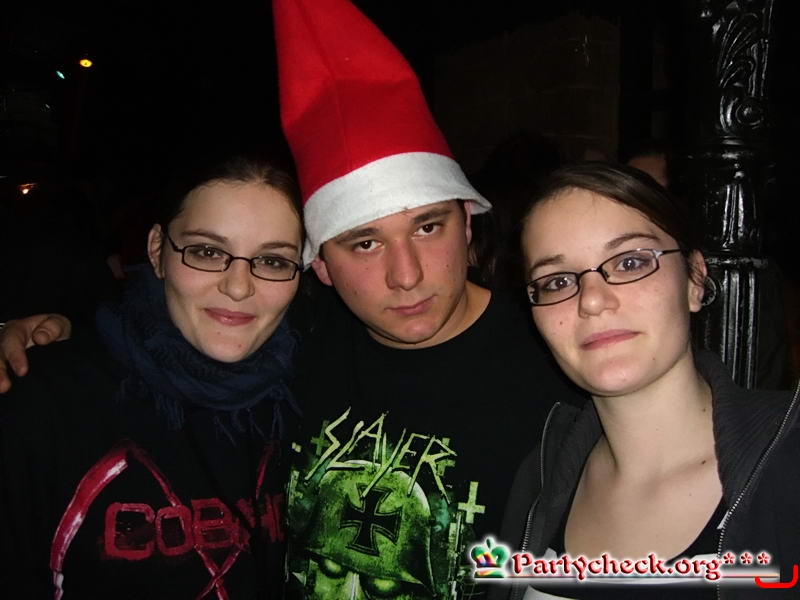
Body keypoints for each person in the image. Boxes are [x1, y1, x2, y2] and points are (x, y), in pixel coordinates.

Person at [0, 1, 587, 598]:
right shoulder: (294, 352)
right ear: (320, 267)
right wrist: (48, 337)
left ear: (470, 222)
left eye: (428, 227)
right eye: (364, 243)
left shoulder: (562, 370)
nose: (405, 276)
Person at [490, 162, 800, 600]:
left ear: (695, 279)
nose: (592, 300)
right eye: (557, 281)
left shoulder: (788, 463)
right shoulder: (539, 477)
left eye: (630, 262)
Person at [0, 153, 304, 599]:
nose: (238, 287)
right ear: (158, 250)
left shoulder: (307, 394)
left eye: (273, 261)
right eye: (206, 251)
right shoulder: (44, 402)